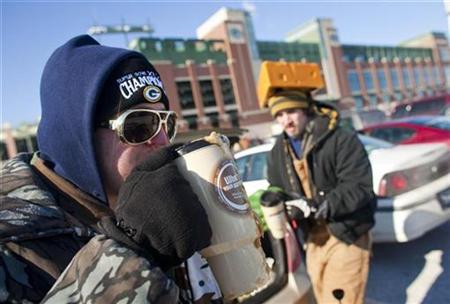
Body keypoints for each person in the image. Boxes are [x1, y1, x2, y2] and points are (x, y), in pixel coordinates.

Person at [0, 35, 222, 303]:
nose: (163, 141)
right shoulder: (11, 244)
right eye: (140, 124)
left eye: (165, 123)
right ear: (77, 137)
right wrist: (133, 250)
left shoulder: (164, 203)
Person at [262, 90, 377, 304]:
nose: (285, 120)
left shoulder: (339, 138)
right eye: (279, 115)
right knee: (322, 298)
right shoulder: (278, 150)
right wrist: (275, 200)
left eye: (291, 112)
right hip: (313, 237)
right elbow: (276, 186)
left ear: (306, 111)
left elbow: (359, 187)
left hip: (347, 233)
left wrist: (314, 205)